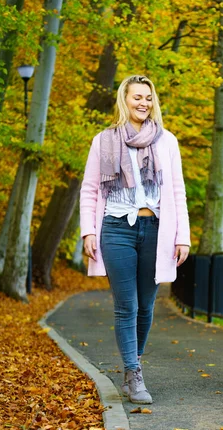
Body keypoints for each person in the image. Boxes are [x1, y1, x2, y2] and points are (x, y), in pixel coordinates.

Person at [80, 74, 190, 404]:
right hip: (116, 229)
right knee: (126, 306)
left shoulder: (166, 141)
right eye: (136, 97)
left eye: (148, 98)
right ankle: (133, 373)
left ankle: (133, 365)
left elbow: (177, 192)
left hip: (156, 230)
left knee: (146, 306)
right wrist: (88, 230)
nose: (143, 103)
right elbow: (89, 189)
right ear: (124, 100)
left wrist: (182, 236)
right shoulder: (104, 140)